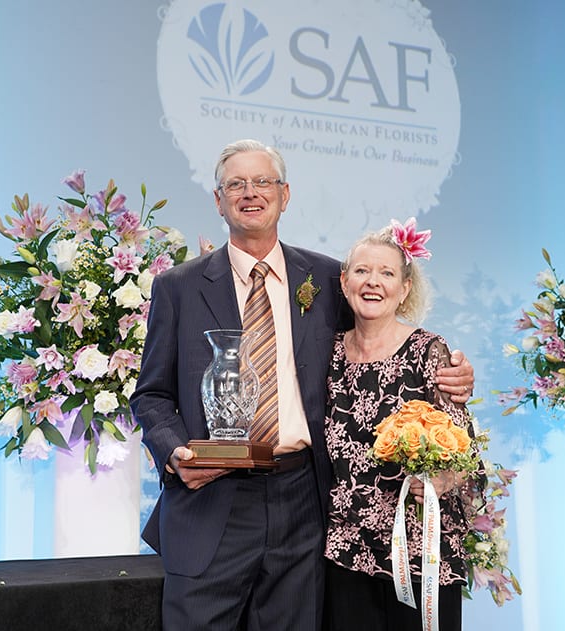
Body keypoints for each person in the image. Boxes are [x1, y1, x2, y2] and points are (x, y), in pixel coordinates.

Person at [130, 139, 473, 631]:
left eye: (263, 182)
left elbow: (377, 343)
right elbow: (152, 393)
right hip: (211, 497)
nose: (251, 193)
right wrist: (175, 452)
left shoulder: (327, 276)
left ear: (284, 195)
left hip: (304, 503)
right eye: (236, 184)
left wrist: (455, 373)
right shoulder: (178, 287)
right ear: (218, 200)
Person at [322, 221, 475, 631]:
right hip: (345, 550)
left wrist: (443, 480)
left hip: (418, 550)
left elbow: (464, 449)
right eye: (361, 271)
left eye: (387, 273)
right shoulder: (328, 353)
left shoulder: (429, 351)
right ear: (344, 281)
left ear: (405, 289)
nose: (373, 283)